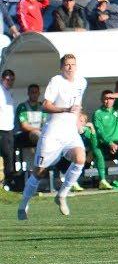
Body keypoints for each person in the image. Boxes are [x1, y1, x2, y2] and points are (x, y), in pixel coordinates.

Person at [18, 54, 87, 219]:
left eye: (73, 64)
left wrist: (78, 123)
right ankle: (23, 205)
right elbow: (46, 105)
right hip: (53, 134)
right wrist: (64, 109)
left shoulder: (82, 82)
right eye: (67, 65)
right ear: (61, 67)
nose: (70, 67)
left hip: (70, 133)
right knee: (39, 171)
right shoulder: (56, 81)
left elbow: (77, 105)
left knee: (80, 158)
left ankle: (62, 195)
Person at [14, 83, 47, 150]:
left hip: (39, 133)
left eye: (36, 92)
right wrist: (40, 130)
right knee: (38, 135)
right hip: (23, 134)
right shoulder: (22, 107)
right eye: (32, 92)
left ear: (39, 93)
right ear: (28, 93)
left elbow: (45, 122)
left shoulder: (42, 106)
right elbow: (24, 127)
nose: (34, 94)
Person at [0, 70, 17, 187]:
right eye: (7, 79)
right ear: (2, 78)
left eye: (12, 79)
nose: (10, 81)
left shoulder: (8, 92)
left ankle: (9, 180)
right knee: (7, 154)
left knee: (10, 155)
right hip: (1, 128)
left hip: (9, 128)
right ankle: (7, 180)